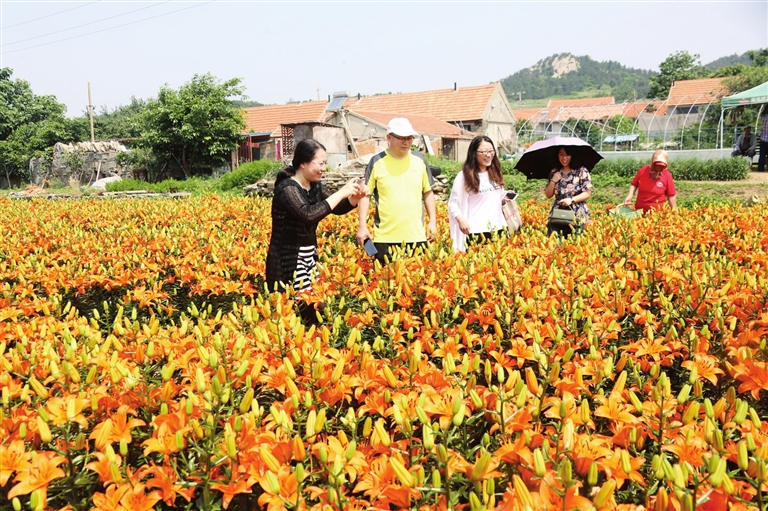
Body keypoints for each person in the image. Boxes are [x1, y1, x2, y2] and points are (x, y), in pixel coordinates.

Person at [266, 139, 366, 320]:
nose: (324, 168)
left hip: (308, 257)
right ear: (303, 163)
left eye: (325, 163)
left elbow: (338, 207)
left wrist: (355, 198)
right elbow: (308, 214)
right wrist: (341, 192)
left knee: (313, 305)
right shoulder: (287, 188)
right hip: (287, 259)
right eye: (320, 163)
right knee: (304, 307)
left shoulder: (314, 186)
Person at [356, 118, 437, 263]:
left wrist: (432, 221)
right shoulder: (376, 162)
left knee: (417, 283)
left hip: (416, 236)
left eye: (409, 138)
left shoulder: (420, 160)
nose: (406, 142)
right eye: (401, 138)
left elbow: (428, 192)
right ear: (388, 137)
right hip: (385, 238)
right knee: (384, 282)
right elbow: (365, 195)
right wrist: (362, 226)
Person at [448, 135, 510, 252]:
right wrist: (461, 220)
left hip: (498, 227)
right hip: (475, 230)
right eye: (484, 152)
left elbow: (494, 196)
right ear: (474, 153)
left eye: (491, 151)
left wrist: (505, 195)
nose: (488, 155)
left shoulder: (496, 172)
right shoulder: (464, 176)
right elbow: (453, 203)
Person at [544, 146, 593, 237]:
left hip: (578, 214)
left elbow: (587, 192)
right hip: (558, 215)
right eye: (561, 154)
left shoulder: (581, 171)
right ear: (557, 156)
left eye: (568, 155)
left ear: (573, 156)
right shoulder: (554, 171)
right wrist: (553, 181)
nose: (564, 158)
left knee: (577, 245)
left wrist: (571, 200)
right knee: (554, 243)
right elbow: (548, 195)